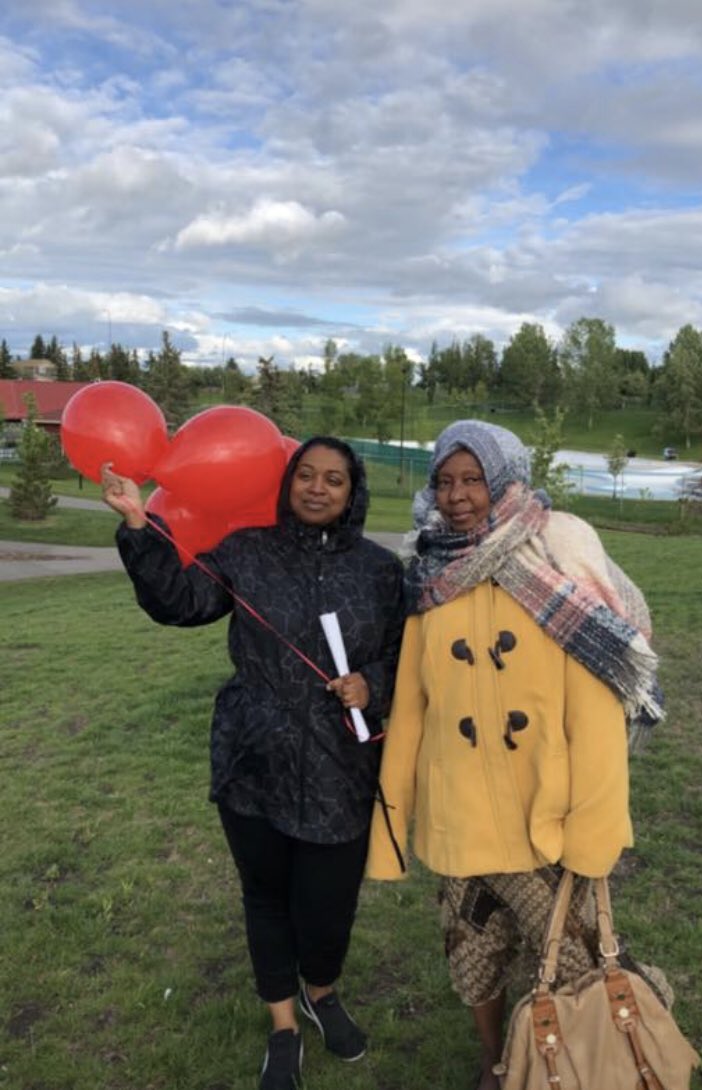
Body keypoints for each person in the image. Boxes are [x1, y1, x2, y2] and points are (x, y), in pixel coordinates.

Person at [366, 420, 662, 1090]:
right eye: (444, 480)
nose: (457, 496)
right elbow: (409, 713)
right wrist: (390, 833)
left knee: (574, 960)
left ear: (503, 478)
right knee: (473, 957)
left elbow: (594, 716)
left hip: (547, 822)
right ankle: (497, 1064)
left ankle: (583, 1065)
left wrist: (594, 833)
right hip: (458, 820)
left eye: (472, 478)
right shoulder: (430, 577)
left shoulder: (553, 563)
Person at [102, 436, 405, 1090]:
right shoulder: (247, 551)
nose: (317, 488)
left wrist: (372, 686)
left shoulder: (381, 571)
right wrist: (137, 524)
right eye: (306, 475)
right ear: (287, 481)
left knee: (326, 906)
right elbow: (181, 603)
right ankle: (283, 1026)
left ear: (353, 494)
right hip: (253, 758)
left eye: (333, 480)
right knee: (265, 896)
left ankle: (321, 993)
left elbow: (406, 656)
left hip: (338, 769)